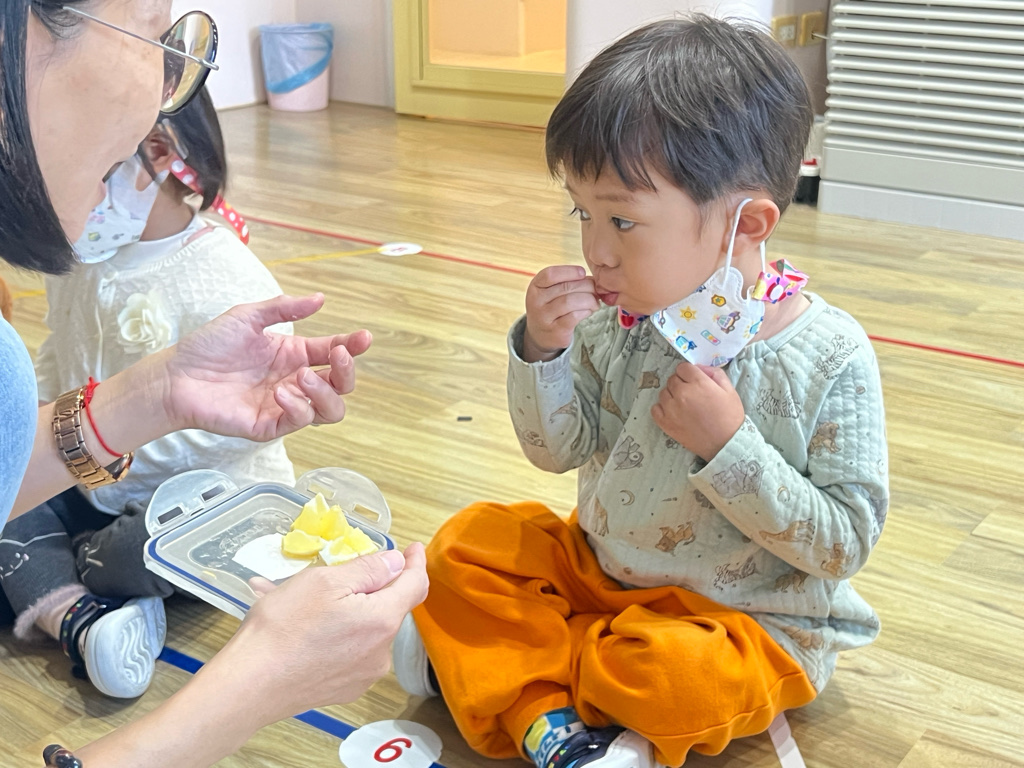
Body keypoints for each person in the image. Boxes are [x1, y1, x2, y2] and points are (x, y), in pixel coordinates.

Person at [393, 16, 888, 768]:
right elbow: (554, 451)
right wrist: (543, 351)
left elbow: (841, 543)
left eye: (623, 220)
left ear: (748, 223)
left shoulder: (829, 355)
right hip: (597, 572)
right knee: (466, 546)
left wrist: (728, 447)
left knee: (675, 675)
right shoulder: (613, 323)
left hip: (742, 618)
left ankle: (511, 677)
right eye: (583, 214)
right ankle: (562, 703)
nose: (595, 251)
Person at [0, 2, 427, 766]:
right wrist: (257, 684)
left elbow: (16, 450)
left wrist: (155, 395)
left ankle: (75, 591)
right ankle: (82, 613)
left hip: (170, 494)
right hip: (103, 490)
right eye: (150, 27)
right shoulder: (73, 259)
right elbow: (52, 363)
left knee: (120, 535)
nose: (169, 71)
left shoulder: (213, 270)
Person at [0, 86, 297, 700]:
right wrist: (44, 432)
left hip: (192, 496)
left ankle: (62, 577)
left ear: (157, 151)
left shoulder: (225, 278)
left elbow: (228, 436)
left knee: (162, 544)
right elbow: (59, 348)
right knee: (7, 484)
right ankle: (81, 615)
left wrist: (106, 451)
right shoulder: (78, 255)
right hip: (83, 471)